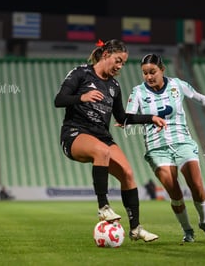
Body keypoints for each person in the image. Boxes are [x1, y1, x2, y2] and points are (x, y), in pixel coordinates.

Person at [125, 53, 205, 243]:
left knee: (197, 186)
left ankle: (204, 222)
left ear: (162, 69)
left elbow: (200, 98)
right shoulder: (138, 92)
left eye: (152, 72)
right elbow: (129, 115)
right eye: (145, 73)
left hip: (183, 142)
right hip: (157, 148)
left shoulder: (177, 85)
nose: (149, 77)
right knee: (174, 191)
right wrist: (125, 121)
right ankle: (187, 230)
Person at [54, 40, 167, 242]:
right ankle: (103, 207)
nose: (119, 66)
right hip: (75, 133)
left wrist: (150, 118)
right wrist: (82, 97)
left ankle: (135, 229)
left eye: (123, 63)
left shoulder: (114, 86)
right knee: (102, 152)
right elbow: (59, 99)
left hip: (102, 136)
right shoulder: (81, 73)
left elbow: (122, 117)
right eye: (118, 60)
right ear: (106, 54)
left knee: (128, 174)